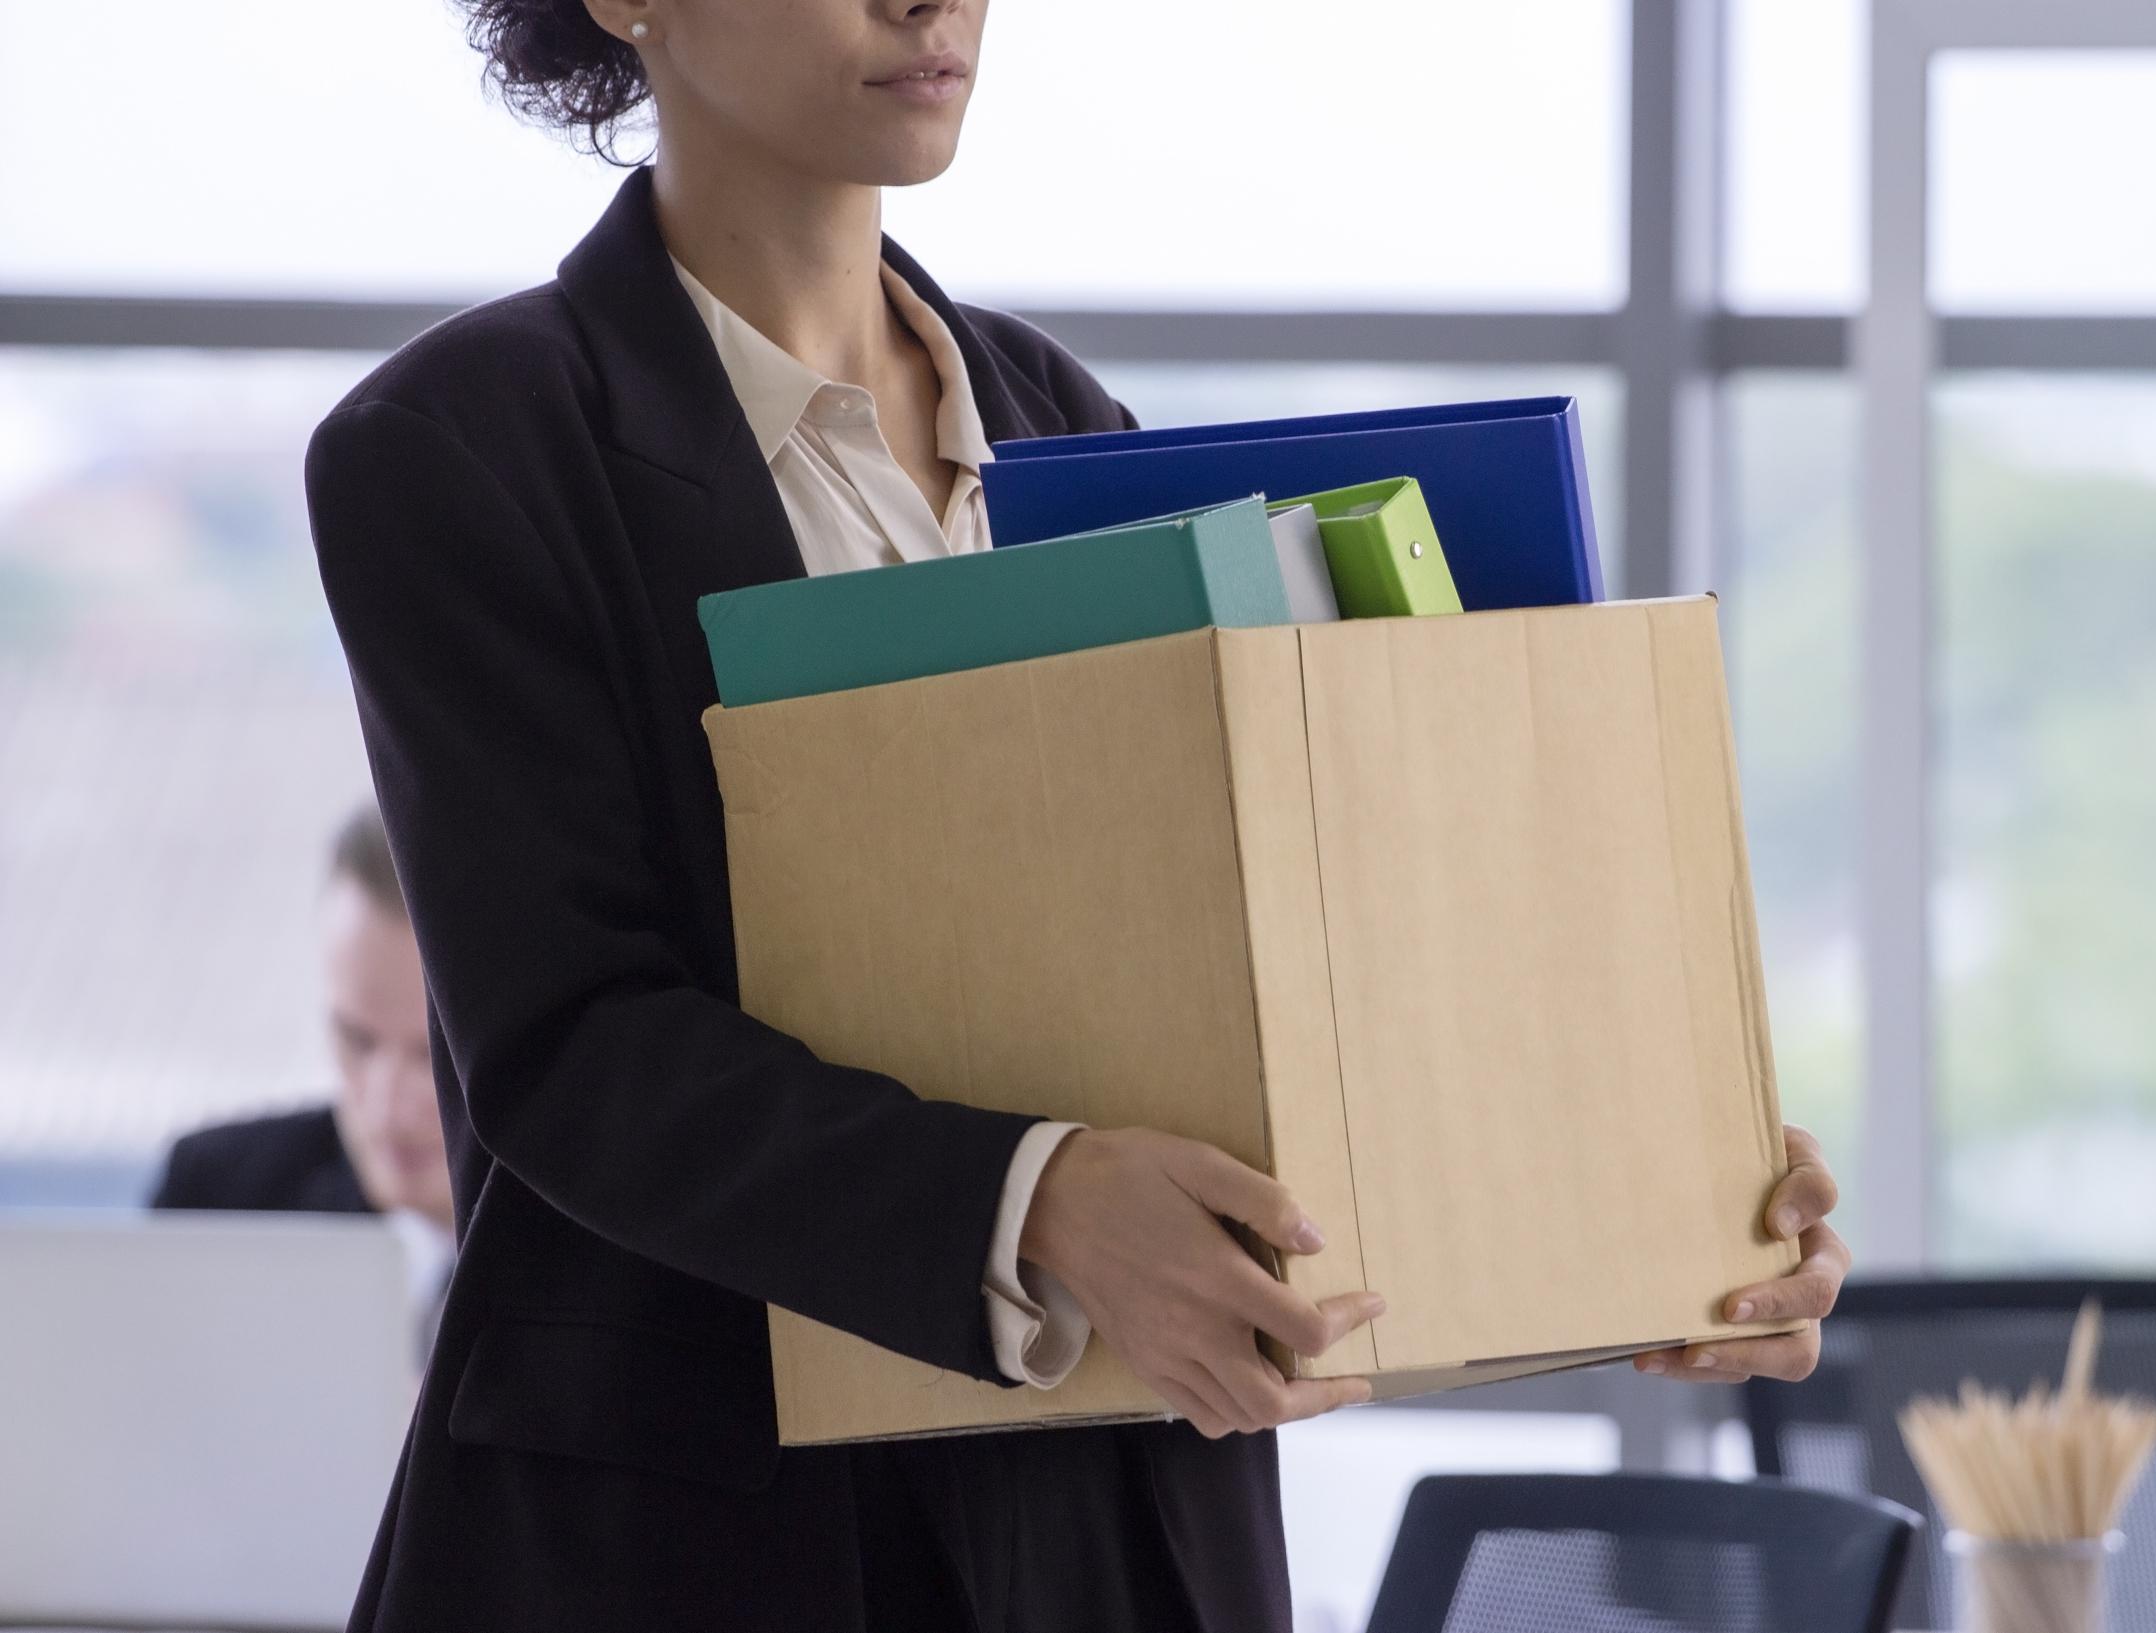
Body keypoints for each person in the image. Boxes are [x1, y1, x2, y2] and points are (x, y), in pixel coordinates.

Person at [299, 0, 1853, 1626]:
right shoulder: (463, 447)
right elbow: (573, 1044)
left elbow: (1268, 967)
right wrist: (1035, 1200)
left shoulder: (1055, 417)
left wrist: (1652, 1186)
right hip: (696, 1526)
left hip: (1119, 1515)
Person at [150, 804, 457, 1359]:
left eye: (434, 1055)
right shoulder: (216, 1207)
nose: (388, 1106)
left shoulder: (615, 1250)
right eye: (358, 1041)